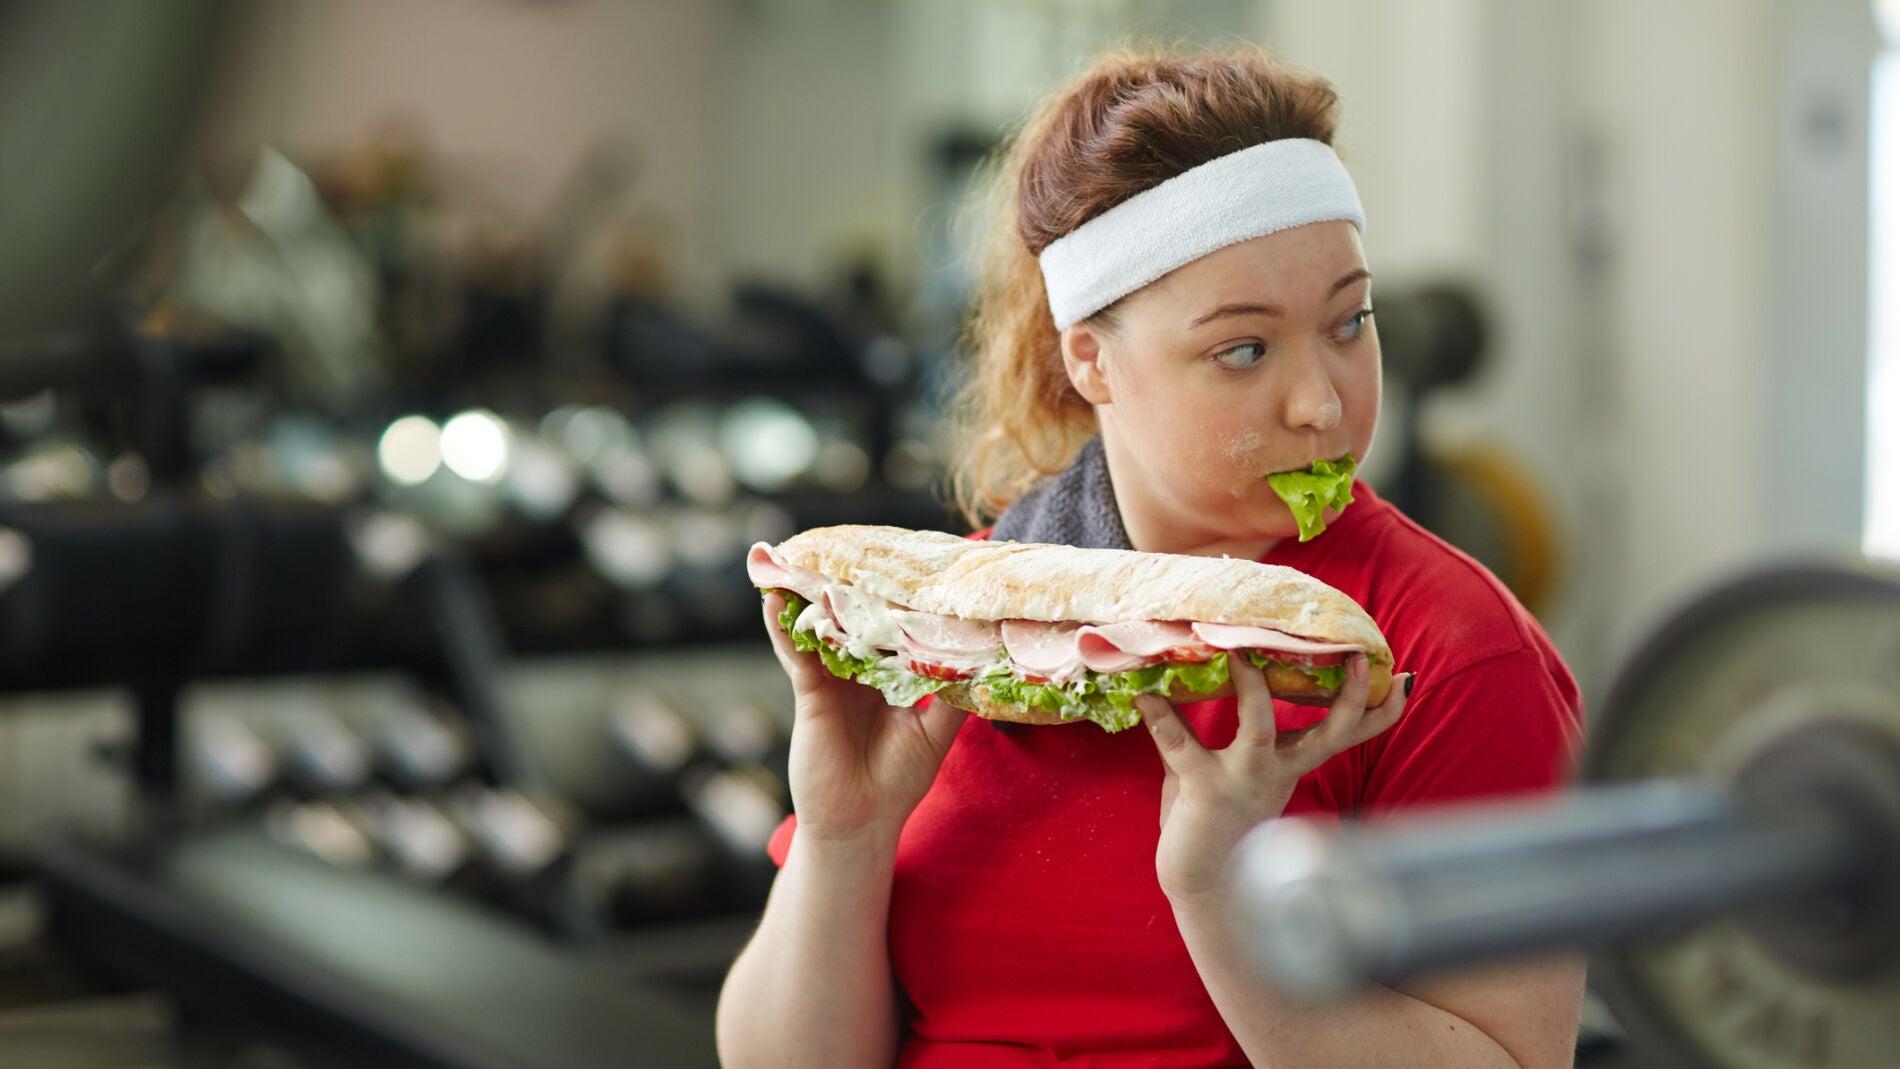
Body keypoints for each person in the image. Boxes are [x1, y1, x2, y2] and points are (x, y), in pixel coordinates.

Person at [717, 46, 1585, 1069]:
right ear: (1089, 356)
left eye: (1349, 322)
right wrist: (844, 836)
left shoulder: (1440, 655)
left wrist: (1217, 894)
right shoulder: (965, 637)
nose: (1322, 402)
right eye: (1244, 349)